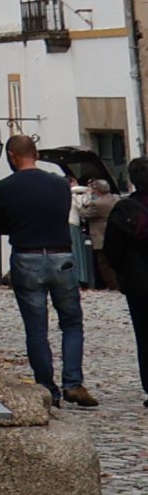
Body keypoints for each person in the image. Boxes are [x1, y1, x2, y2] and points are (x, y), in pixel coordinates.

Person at [0, 134, 98, 407]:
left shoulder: (3, 188)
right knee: (71, 322)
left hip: (27, 256)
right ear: (35, 154)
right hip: (61, 254)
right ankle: (73, 382)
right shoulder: (59, 185)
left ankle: (47, 387)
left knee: (36, 328)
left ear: (12, 156)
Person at [106, 170, 148, 414]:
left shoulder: (125, 209)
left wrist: (121, 272)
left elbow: (113, 249)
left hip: (139, 280)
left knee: (144, 335)